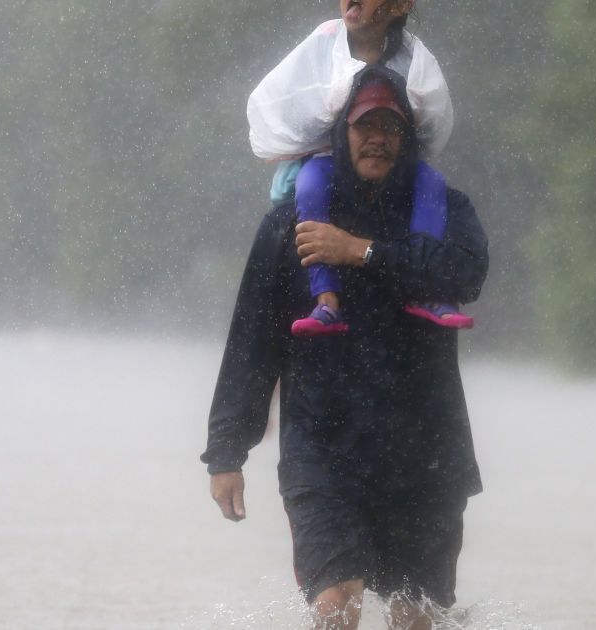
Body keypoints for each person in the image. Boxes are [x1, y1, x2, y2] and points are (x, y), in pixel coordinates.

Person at [204, 67, 488, 629]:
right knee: (336, 603)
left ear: (408, 137)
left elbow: (465, 273)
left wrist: (360, 252)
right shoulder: (293, 224)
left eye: (390, 125)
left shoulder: (446, 211)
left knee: (416, 617)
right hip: (324, 448)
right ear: (341, 134)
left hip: (425, 450)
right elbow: (253, 339)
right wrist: (226, 451)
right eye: (364, 126)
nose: (377, 137)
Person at [248, 0, 474, 337]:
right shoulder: (323, 42)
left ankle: (426, 291)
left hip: (395, 171)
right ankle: (326, 299)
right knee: (309, 184)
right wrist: (341, 120)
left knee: (431, 182)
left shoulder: (414, 58)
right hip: (327, 160)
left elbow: (433, 123)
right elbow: (279, 105)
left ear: (401, 6)